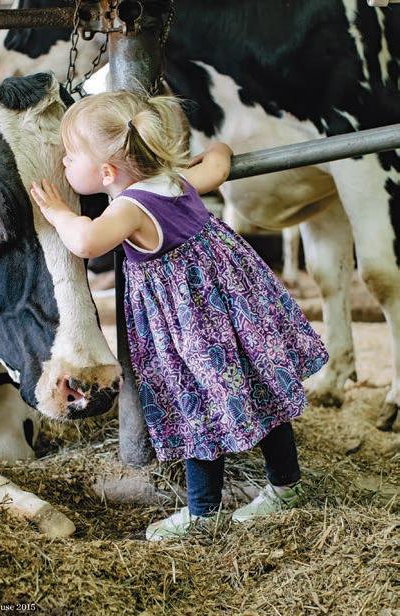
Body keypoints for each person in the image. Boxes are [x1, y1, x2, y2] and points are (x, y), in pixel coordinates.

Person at [30, 90, 328, 541]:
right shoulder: (174, 179)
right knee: (260, 393)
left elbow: (86, 242)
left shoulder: (130, 208)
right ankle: (286, 486)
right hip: (231, 314)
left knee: (196, 409)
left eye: (71, 155)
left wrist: (57, 212)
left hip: (191, 330)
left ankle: (203, 513)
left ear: (107, 172)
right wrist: (219, 147)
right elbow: (218, 167)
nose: (64, 162)